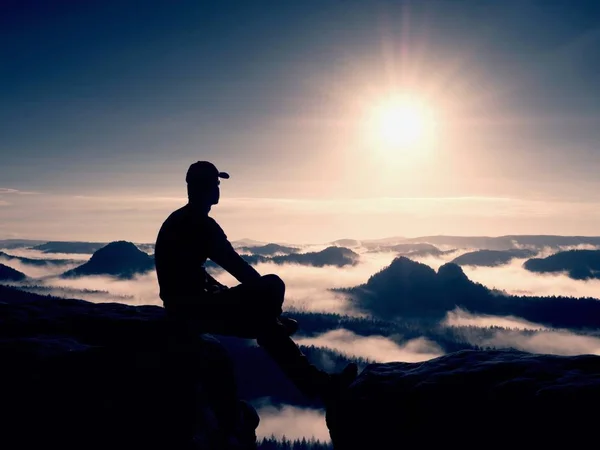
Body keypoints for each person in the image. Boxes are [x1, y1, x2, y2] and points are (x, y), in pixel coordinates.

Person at [154, 161, 357, 403]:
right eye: (215, 184)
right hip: (193, 309)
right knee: (273, 286)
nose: (218, 189)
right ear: (203, 187)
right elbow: (237, 267)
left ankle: (316, 383)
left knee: (265, 324)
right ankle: (314, 380)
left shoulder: (179, 220)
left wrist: (231, 293)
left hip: (185, 305)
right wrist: (264, 293)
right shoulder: (200, 225)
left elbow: (188, 272)